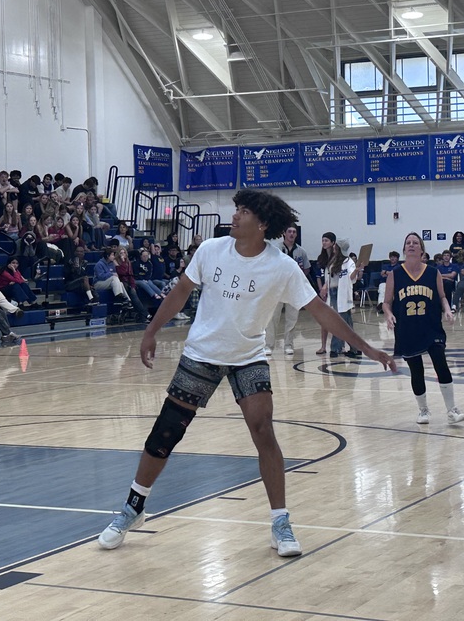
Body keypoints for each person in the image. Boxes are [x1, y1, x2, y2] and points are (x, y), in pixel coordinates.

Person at [97, 189, 396, 554]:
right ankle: (133, 508)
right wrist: (151, 331)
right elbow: (180, 292)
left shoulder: (282, 267)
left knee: (263, 430)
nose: (235, 215)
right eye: (236, 209)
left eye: (243, 211)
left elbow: (322, 312)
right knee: (166, 431)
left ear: (263, 223)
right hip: (202, 353)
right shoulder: (210, 250)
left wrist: (367, 347)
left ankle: (280, 522)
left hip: (248, 357)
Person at [384, 232, 464, 426]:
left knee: (440, 362)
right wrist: (388, 314)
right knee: (416, 370)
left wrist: (447, 310)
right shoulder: (395, 274)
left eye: (415, 242)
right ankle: (423, 410)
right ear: (404, 249)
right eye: (408, 243)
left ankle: (452, 410)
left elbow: (442, 296)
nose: (411, 245)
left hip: (430, 326)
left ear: (421, 249)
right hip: (407, 328)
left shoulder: (432, 272)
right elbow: (386, 302)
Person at [268, 225, 310, 356]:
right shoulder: (275, 249)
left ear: (296, 235)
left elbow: (307, 268)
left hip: (293, 288)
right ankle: (268, 345)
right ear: (284, 233)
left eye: (294, 232)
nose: (292, 234)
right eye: (289, 231)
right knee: (273, 318)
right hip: (278, 288)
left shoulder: (301, 251)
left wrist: (298, 278)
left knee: (292, 318)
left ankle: (288, 345)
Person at [326, 238, 363, 359]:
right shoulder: (333, 260)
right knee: (346, 322)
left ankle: (335, 348)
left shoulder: (348, 261)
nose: (334, 247)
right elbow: (329, 277)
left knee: (339, 321)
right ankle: (355, 348)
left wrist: (356, 270)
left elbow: (352, 278)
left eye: (336, 246)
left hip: (343, 294)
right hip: (333, 293)